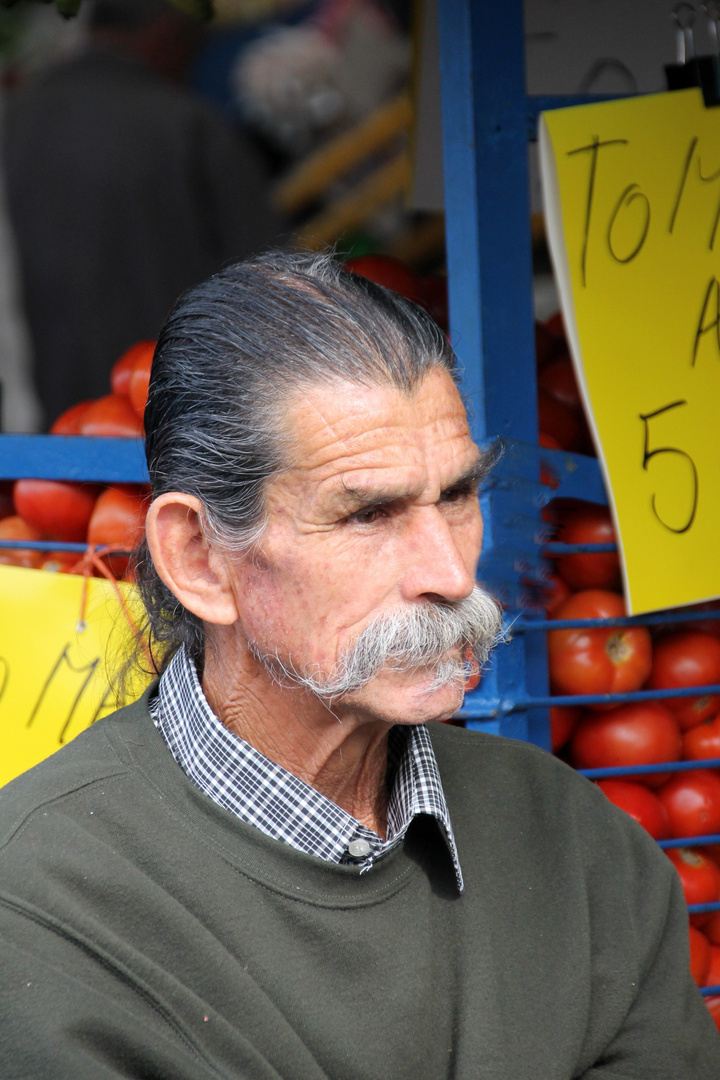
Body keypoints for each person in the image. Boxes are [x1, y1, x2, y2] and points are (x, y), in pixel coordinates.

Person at [0, 250, 718, 1079]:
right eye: (367, 513)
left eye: (456, 498)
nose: (450, 574)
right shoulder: (40, 910)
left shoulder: (576, 843)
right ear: (199, 559)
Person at [3, 0, 284, 427]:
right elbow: (271, 287)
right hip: (181, 427)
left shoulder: (13, 123)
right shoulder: (191, 124)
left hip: (34, 435)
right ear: (168, 35)